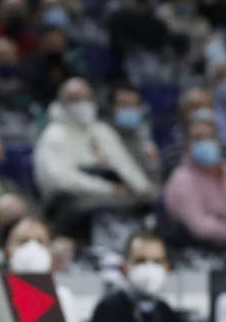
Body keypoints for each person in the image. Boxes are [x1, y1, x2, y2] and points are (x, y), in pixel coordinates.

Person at [32, 78, 155, 230]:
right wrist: (109, 189)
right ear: (62, 102)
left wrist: (144, 190)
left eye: (86, 98)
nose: (82, 104)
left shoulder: (101, 131)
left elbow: (125, 165)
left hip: (114, 196)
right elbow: (61, 181)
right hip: (73, 203)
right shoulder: (53, 136)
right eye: (75, 99)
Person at [0, 215, 87, 322]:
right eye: (24, 241)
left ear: (50, 254)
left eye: (40, 242)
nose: (32, 248)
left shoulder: (63, 298)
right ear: (8, 254)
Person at [162, 118, 226, 251]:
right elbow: (201, 228)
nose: (205, 143)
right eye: (199, 139)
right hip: (204, 251)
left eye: (210, 137)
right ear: (187, 146)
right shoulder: (181, 180)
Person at [89, 232, 185, 322]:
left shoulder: (167, 314)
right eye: (141, 261)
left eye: (157, 261)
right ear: (123, 268)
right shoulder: (107, 311)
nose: (150, 268)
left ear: (167, 267)